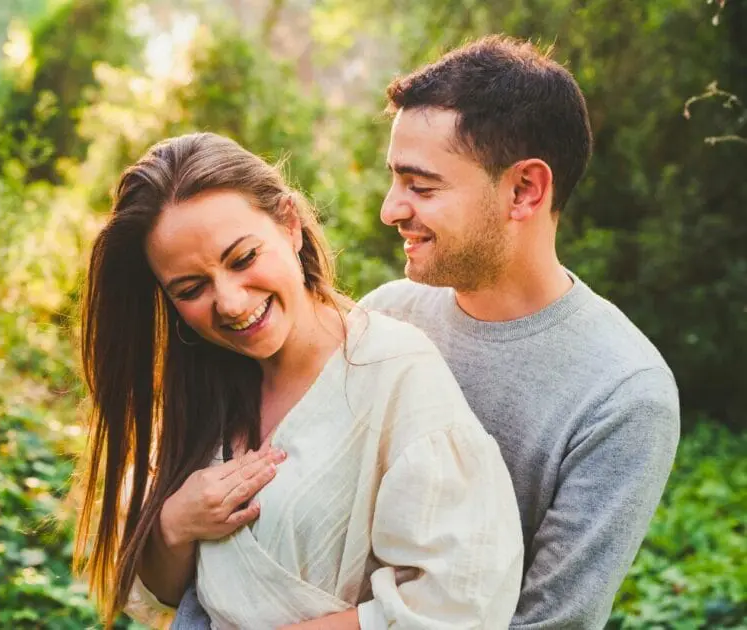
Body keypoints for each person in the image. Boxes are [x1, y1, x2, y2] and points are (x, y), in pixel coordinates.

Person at [72, 131, 524, 630]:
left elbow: (461, 601)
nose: (231, 303)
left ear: (290, 225)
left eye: (243, 259)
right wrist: (175, 524)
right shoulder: (206, 384)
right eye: (192, 289)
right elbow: (169, 595)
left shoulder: (395, 374)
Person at [359, 36, 681, 628]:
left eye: (420, 186)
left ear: (524, 190)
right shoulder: (383, 319)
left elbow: (549, 623)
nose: (390, 209)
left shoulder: (624, 394)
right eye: (396, 181)